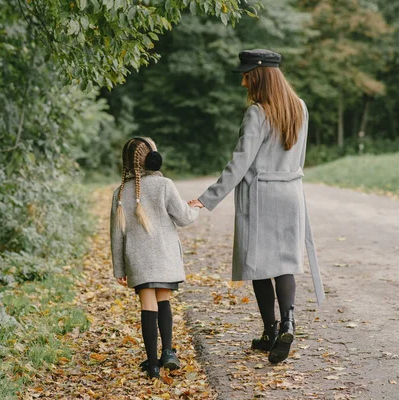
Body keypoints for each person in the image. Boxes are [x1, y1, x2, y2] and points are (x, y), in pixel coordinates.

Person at [188, 49, 325, 364]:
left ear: (260, 76)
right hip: (291, 191)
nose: (244, 82)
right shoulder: (300, 108)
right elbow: (300, 157)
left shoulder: (257, 113)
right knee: (285, 262)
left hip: (261, 195)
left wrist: (207, 198)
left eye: (247, 75)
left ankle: (270, 330)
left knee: (260, 265)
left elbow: (240, 163)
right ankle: (287, 322)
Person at [110, 137, 201, 379]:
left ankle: (152, 364)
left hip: (138, 261)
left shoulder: (119, 193)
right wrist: (195, 208)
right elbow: (183, 217)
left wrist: (119, 268)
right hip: (163, 257)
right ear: (152, 158)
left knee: (147, 305)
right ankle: (168, 352)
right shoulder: (165, 185)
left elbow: (116, 235)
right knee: (164, 300)